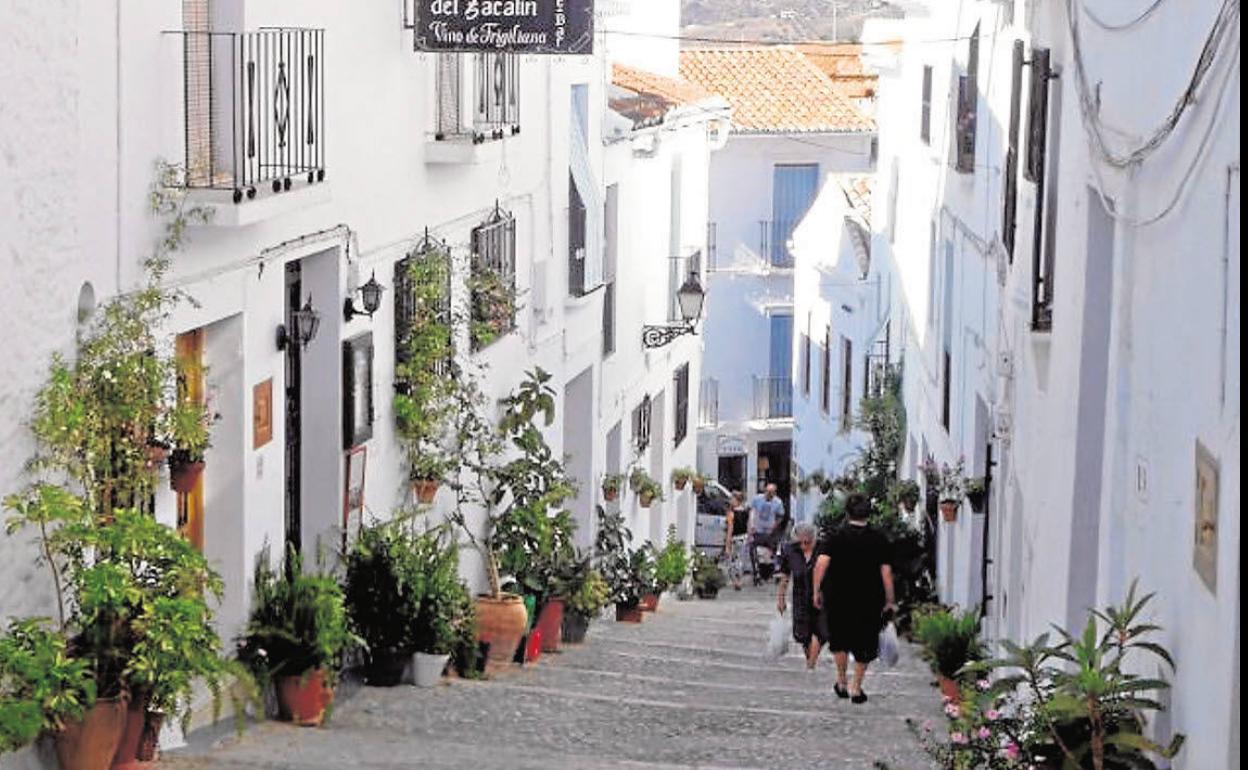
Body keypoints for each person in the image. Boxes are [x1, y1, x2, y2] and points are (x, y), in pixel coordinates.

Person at [812, 493, 895, 704]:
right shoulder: (878, 538)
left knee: (839, 640)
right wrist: (889, 599)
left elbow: (821, 564)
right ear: (869, 513)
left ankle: (841, 681)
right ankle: (856, 687)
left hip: (838, 596)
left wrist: (816, 590)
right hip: (868, 598)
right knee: (865, 641)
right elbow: (886, 572)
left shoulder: (834, 536)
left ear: (846, 512)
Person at [777, 522, 822, 670]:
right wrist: (781, 599)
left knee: (820, 631)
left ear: (814, 540)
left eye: (807, 542)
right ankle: (810, 659)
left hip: (821, 597)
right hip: (800, 596)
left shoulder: (822, 549)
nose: (803, 546)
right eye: (800, 542)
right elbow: (785, 576)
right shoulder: (790, 550)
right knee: (803, 634)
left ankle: (811, 664)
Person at [748, 483, 786, 582]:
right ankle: (756, 572)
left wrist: (775, 525)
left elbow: (781, 516)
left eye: (771, 493)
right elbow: (752, 512)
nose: (769, 495)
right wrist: (751, 526)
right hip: (758, 530)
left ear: (774, 493)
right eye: (767, 492)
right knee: (752, 549)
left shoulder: (778, 502)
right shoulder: (757, 499)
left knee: (775, 549)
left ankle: (775, 570)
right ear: (765, 491)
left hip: (770, 531)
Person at [723, 490, 751, 590]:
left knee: (731, 561)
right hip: (744, 538)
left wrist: (727, 544)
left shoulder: (731, 513)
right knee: (740, 561)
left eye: (732, 499)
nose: (730, 501)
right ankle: (739, 580)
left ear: (736, 500)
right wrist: (749, 538)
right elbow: (749, 526)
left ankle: (735, 581)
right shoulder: (746, 512)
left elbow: (730, 529)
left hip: (735, 539)